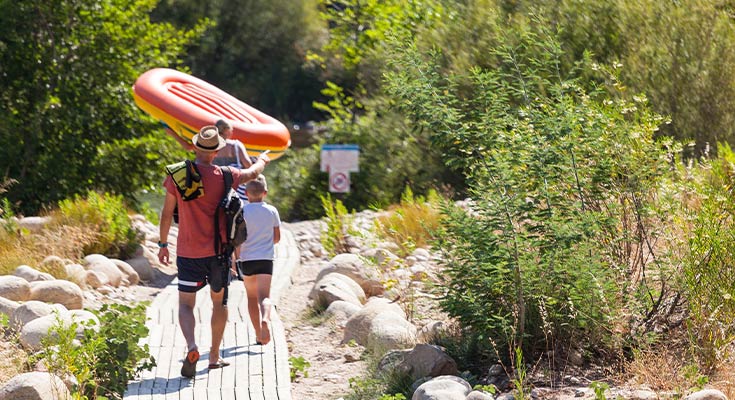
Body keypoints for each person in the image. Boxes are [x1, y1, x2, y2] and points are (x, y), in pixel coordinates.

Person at [157, 125, 270, 378]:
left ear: (195, 147)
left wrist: (163, 244)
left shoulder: (179, 175)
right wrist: (262, 159)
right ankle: (215, 356)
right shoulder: (227, 174)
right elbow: (253, 172)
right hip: (219, 253)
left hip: (187, 252)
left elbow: (166, 214)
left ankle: (192, 346)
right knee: (219, 303)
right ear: (217, 151)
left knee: (186, 305)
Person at [236, 174, 280, 345]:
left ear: (246, 193)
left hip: (247, 260)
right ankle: (266, 320)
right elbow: (277, 238)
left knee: (251, 297)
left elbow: (237, 239)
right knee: (265, 297)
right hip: (266, 259)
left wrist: (236, 258)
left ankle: (258, 335)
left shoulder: (242, 211)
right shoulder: (272, 211)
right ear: (265, 193)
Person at [212, 119, 252, 204]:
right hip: (237, 192)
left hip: (218, 192)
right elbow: (248, 165)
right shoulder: (235, 146)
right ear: (226, 130)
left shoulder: (211, 147)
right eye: (231, 130)